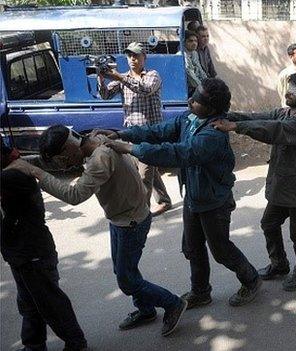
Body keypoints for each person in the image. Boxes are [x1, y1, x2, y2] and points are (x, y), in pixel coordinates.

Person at [7, 126, 187, 337]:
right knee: (125, 272)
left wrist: (37, 173)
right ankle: (146, 310)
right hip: (122, 218)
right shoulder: (96, 140)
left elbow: (74, 195)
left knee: (127, 280)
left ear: (68, 148)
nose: (64, 166)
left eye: (62, 159)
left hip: (131, 222)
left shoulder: (99, 159)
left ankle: (173, 303)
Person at [98, 78, 262, 308]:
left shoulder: (214, 134)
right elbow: (158, 131)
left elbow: (179, 153)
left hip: (214, 201)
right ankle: (201, 291)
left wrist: (131, 149)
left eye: (197, 100)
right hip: (194, 196)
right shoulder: (190, 118)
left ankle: (251, 279)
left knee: (221, 250)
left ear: (212, 109)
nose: (190, 100)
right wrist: (123, 134)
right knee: (191, 248)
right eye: (193, 95)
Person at [212, 73, 296, 291]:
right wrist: (230, 116)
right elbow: (258, 118)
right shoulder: (284, 112)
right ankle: (279, 264)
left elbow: (273, 130)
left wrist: (235, 127)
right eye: (288, 87)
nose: (288, 92)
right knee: (269, 223)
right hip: (282, 187)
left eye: (294, 89)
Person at [1, 142, 88, 351]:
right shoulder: (11, 170)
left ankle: (75, 342)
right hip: (21, 252)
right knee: (29, 303)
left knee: (50, 302)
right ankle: (34, 344)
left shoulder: (12, 175)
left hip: (33, 253)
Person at [97, 42, 172, 216]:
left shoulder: (152, 75)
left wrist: (120, 78)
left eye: (136, 55)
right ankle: (164, 201)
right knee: (147, 168)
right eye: (130, 55)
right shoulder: (122, 78)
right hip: (131, 133)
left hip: (150, 133)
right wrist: (101, 77)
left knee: (144, 175)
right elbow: (105, 95)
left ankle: (141, 213)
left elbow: (145, 90)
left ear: (144, 57)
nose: (133, 59)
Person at [184, 31, 208, 96]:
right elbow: (190, 76)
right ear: (184, 42)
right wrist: (202, 88)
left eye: (196, 41)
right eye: (190, 41)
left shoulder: (194, 53)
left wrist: (208, 83)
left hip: (197, 87)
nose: (194, 43)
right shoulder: (182, 55)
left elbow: (200, 70)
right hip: (187, 89)